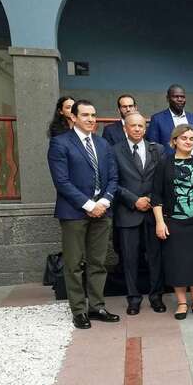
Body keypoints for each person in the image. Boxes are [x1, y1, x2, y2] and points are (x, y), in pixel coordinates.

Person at [47, 99, 119, 329]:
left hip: (103, 212)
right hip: (74, 213)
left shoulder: (102, 144)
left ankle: (96, 306)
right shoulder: (60, 143)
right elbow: (62, 182)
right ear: (74, 118)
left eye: (94, 115)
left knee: (98, 263)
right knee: (74, 263)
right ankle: (79, 310)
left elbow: (114, 177)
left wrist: (105, 201)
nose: (91, 119)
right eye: (86, 115)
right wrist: (89, 205)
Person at [152, 124, 193, 320]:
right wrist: (159, 223)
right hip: (173, 223)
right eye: (183, 138)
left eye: (191, 139)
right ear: (174, 141)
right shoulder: (164, 164)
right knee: (177, 263)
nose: (188, 142)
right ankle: (181, 303)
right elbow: (156, 196)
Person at [112, 112, 165, 315]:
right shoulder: (115, 151)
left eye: (141, 126)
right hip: (128, 212)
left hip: (153, 213)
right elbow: (112, 182)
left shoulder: (157, 149)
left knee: (155, 258)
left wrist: (150, 198)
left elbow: (162, 179)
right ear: (125, 127)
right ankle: (133, 299)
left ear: (145, 128)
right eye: (133, 126)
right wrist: (134, 200)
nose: (137, 129)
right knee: (130, 259)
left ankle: (156, 296)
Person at [145, 84, 193, 160]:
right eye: (176, 96)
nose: (180, 99)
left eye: (182, 97)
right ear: (167, 98)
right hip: (169, 166)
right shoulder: (157, 119)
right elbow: (153, 147)